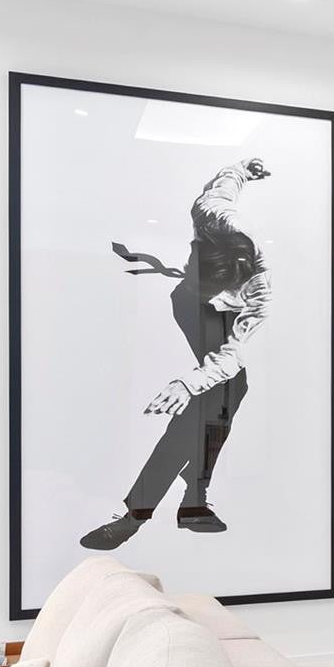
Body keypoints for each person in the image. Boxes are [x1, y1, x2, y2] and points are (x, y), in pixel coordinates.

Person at [79, 157, 273, 550]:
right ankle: (179, 505)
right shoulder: (212, 215)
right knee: (216, 402)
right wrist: (243, 168)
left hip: (228, 319)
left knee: (227, 391)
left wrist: (187, 384)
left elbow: (232, 354)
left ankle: (162, 508)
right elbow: (224, 184)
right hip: (188, 305)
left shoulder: (259, 293)